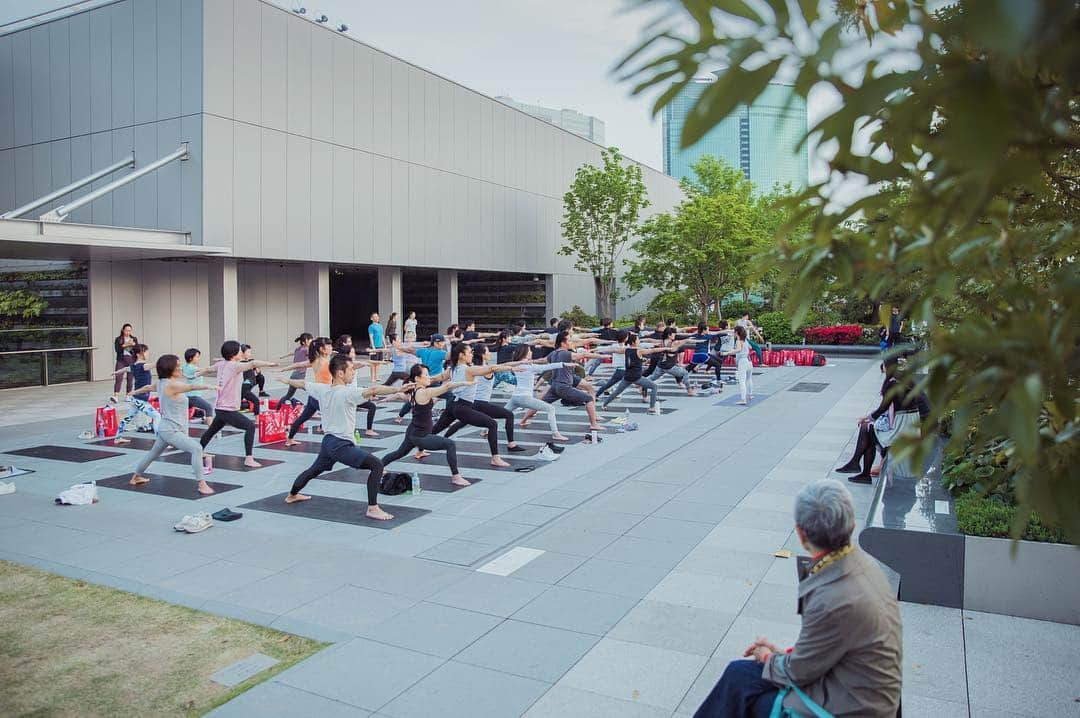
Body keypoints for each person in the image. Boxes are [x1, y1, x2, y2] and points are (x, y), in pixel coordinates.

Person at [694, 480, 902, 718]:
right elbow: (828, 648)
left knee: (744, 686)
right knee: (741, 676)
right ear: (852, 526)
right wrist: (785, 654)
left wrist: (767, 656)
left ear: (801, 533)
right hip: (864, 689)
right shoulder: (863, 567)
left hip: (853, 705)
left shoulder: (832, 596)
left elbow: (799, 672)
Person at [279, 354, 405, 519]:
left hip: (328, 442)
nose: (353, 372)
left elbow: (302, 384)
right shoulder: (347, 393)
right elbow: (374, 390)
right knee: (376, 465)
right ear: (339, 373)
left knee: (313, 471)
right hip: (340, 445)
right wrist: (398, 389)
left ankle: (292, 494)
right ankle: (373, 508)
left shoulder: (322, 389)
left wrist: (287, 381)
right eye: (351, 369)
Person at [127, 354, 215, 495]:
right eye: (178, 366)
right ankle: (201, 484)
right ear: (170, 369)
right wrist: (209, 386)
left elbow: (149, 387)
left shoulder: (161, 383)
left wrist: (134, 392)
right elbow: (190, 387)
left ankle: (135, 477)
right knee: (197, 449)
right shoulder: (171, 384)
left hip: (167, 428)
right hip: (171, 430)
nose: (180, 369)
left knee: (153, 454)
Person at [840, 358, 930, 484]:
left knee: (866, 429)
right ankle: (859, 467)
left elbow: (883, 408)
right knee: (868, 429)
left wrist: (867, 417)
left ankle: (859, 468)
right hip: (909, 426)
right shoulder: (906, 381)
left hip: (901, 429)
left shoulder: (893, 384)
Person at [381, 364, 472, 486]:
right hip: (420, 435)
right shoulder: (424, 392)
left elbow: (401, 396)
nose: (429, 377)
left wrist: (385, 399)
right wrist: (465, 383)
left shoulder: (414, 390)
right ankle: (456, 477)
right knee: (450, 444)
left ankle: (378, 467)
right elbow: (447, 387)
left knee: (399, 453)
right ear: (417, 378)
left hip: (413, 431)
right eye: (426, 375)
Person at [429, 342, 516, 467]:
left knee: (436, 429)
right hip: (462, 407)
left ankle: (420, 447)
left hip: (452, 405)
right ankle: (495, 458)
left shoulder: (453, 368)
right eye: (469, 352)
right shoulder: (468, 369)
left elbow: (441, 377)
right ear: (461, 355)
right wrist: (512, 368)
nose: (471, 354)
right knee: (492, 424)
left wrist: (427, 380)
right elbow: (491, 368)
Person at [198, 340, 278, 467]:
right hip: (227, 409)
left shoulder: (221, 364)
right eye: (240, 351)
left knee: (212, 430)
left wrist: (195, 374)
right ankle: (249, 458)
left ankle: (198, 451)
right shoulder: (235, 366)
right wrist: (271, 364)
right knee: (250, 427)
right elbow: (253, 363)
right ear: (234, 354)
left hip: (220, 407)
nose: (242, 352)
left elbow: (208, 369)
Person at [443, 342, 526, 453]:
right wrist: (512, 368)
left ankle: (443, 439)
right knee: (508, 415)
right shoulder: (483, 369)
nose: (490, 354)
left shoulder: (473, 367)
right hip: (481, 403)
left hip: (472, 403)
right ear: (483, 355)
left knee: (462, 422)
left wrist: (515, 365)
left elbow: (500, 365)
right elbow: (495, 368)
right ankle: (511, 444)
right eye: (488, 352)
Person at [505, 344, 572, 441]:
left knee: (502, 413)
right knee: (551, 409)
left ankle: (485, 430)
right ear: (525, 353)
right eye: (529, 351)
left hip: (515, 397)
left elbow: (507, 364)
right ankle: (555, 434)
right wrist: (564, 364)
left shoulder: (517, 365)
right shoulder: (530, 367)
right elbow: (548, 367)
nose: (531, 352)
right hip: (525, 398)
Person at [542, 331, 605, 431]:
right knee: (587, 397)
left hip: (567, 377)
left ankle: (594, 415)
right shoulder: (564, 352)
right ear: (563, 342)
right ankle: (593, 423)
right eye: (569, 339)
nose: (571, 341)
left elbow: (587, 340)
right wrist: (602, 356)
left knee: (589, 388)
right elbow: (584, 354)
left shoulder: (559, 350)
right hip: (563, 381)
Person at [281, 337, 334, 446]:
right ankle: (328, 439)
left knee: (303, 418)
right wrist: (284, 369)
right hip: (319, 395)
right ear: (322, 349)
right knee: (331, 416)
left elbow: (299, 364)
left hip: (316, 394)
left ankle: (289, 439)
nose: (331, 348)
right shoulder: (319, 361)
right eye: (329, 346)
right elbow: (299, 364)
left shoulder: (322, 360)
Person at [599, 333, 666, 415]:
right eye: (638, 340)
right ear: (634, 342)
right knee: (654, 386)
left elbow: (614, 350)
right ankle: (652, 408)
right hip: (636, 377)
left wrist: (599, 350)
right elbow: (653, 350)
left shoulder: (626, 350)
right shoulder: (639, 351)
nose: (639, 341)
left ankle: (604, 404)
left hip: (627, 376)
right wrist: (666, 348)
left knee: (617, 391)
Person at [112, 344, 161, 442]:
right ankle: (160, 442)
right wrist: (164, 361)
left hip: (137, 398)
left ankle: (117, 437)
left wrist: (117, 372)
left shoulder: (134, 366)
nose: (148, 353)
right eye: (146, 351)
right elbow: (155, 364)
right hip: (140, 399)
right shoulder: (143, 366)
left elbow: (125, 369)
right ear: (139, 354)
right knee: (157, 416)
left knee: (128, 417)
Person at [182, 348, 215, 424]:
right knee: (208, 407)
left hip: (188, 395)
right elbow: (205, 370)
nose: (198, 359)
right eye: (197, 357)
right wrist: (214, 367)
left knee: (183, 412)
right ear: (190, 358)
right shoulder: (192, 368)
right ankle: (211, 429)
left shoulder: (185, 366)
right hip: (193, 396)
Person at [280, 333, 313, 405]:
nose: (312, 343)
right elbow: (314, 355)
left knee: (289, 395)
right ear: (305, 342)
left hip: (295, 374)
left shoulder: (298, 349)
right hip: (299, 375)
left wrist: (283, 356)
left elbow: (291, 353)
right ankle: (312, 409)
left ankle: (278, 408)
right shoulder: (306, 349)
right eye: (310, 341)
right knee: (312, 392)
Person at [111, 323, 138, 403]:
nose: (128, 332)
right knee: (118, 377)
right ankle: (116, 396)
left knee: (130, 378)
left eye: (130, 330)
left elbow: (137, 349)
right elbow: (117, 350)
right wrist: (126, 345)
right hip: (121, 360)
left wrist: (134, 345)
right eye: (126, 330)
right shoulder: (118, 339)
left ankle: (128, 395)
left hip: (131, 360)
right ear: (123, 330)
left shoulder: (134, 338)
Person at [239, 344, 265, 415]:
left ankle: (261, 391)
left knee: (261, 377)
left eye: (250, 352)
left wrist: (257, 367)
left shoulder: (251, 361)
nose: (250, 354)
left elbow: (258, 372)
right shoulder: (240, 363)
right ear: (242, 353)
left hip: (252, 381)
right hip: (246, 385)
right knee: (253, 401)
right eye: (248, 352)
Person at [733, 325, 754, 405]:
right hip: (749, 361)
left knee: (742, 381)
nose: (733, 333)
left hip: (743, 361)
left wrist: (727, 352)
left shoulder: (738, 341)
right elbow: (751, 347)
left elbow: (737, 350)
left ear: (737, 333)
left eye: (734, 332)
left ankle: (743, 399)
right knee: (749, 379)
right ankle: (750, 394)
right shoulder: (745, 340)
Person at [367, 313, 385, 382]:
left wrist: (384, 344)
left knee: (378, 362)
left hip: (380, 346)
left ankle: (377, 376)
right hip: (374, 347)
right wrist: (373, 346)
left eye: (377, 316)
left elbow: (382, 336)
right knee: (373, 362)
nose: (376, 318)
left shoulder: (380, 326)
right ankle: (372, 377)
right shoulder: (371, 327)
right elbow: (371, 337)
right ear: (371, 318)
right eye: (374, 317)